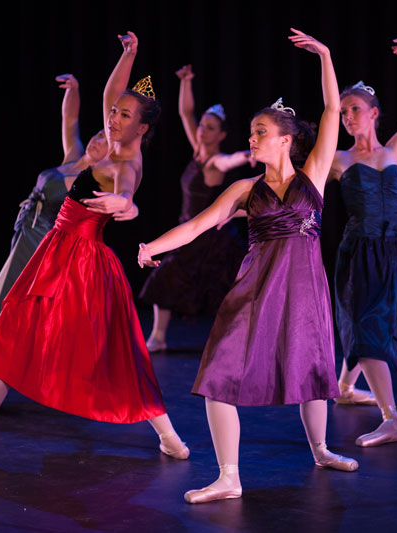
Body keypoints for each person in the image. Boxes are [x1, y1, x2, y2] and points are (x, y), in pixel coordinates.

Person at [0, 31, 188, 465]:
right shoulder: (105, 145)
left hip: (83, 263)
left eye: (125, 115)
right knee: (8, 333)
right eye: (114, 112)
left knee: (113, 353)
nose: (114, 118)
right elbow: (108, 93)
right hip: (55, 252)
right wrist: (129, 53)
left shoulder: (127, 162)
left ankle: (167, 434)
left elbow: (128, 195)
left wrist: (125, 205)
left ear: (142, 127)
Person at [139, 29, 357, 504]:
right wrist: (153, 244)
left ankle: (321, 451)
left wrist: (324, 55)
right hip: (255, 290)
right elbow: (198, 224)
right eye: (252, 132)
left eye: (260, 132)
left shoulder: (313, 176)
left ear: (285, 140)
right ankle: (229, 477)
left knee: (313, 374)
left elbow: (331, 111)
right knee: (219, 374)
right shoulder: (244, 190)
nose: (252, 138)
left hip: (305, 291)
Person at [328, 38, 397, 447]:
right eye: (343, 112)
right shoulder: (339, 160)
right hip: (359, 252)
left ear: (374, 113)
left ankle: (345, 386)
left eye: (354, 109)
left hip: (394, 251)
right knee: (366, 326)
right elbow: (297, 184)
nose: (347, 117)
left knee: (375, 327)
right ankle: (392, 419)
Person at [0, 73, 134, 340]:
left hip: (44, 243)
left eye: (104, 141)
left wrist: (128, 204)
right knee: (7, 296)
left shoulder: (92, 179)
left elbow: (123, 192)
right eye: (96, 136)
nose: (96, 141)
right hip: (25, 234)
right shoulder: (72, 157)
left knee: (22, 304)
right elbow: (69, 121)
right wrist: (73, 90)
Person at [139, 64, 252, 352]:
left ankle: (237, 342)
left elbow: (229, 161)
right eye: (202, 125)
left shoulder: (214, 161)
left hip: (210, 237)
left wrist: (246, 156)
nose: (202, 130)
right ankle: (159, 337)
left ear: (222, 135)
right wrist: (186, 82)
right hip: (190, 232)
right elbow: (185, 113)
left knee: (224, 289)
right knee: (165, 280)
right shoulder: (198, 152)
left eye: (210, 128)